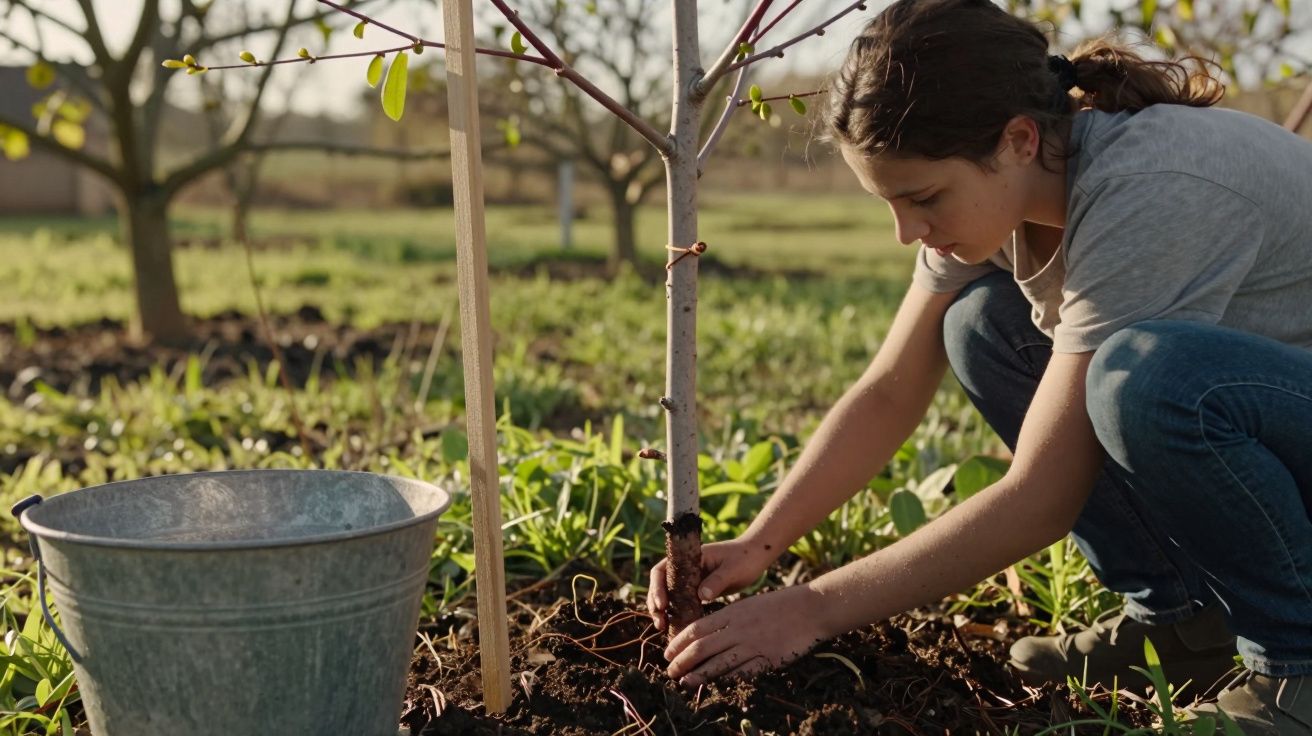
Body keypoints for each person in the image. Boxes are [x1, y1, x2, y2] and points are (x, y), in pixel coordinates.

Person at [645, 0, 1312, 731]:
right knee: (983, 326)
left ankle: (1299, 669)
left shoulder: (1149, 191)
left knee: (1146, 379)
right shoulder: (1012, 193)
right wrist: (762, 542)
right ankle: (1184, 625)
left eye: (923, 198)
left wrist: (813, 609)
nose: (907, 233)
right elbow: (890, 388)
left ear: (1019, 140)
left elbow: (1041, 496)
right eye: (889, 203)